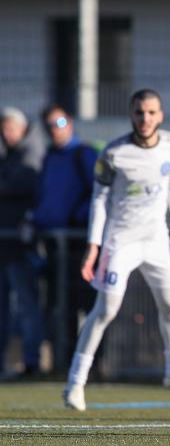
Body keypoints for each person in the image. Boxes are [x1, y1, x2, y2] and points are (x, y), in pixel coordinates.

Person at [62, 89, 170, 410]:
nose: (145, 119)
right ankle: (75, 382)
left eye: (152, 112)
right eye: (140, 112)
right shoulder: (114, 153)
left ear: (161, 115)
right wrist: (94, 246)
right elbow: (99, 201)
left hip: (157, 240)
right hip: (121, 241)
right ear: (132, 114)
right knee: (106, 310)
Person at [31, 103, 99, 367]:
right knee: (63, 306)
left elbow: (97, 193)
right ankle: (67, 362)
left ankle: (93, 362)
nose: (54, 131)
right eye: (49, 126)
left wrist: (75, 219)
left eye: (59, 124)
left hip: (78, 242)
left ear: (70, 123)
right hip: (54, 243)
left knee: (89, 305)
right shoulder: (49, 157)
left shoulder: (83, 154)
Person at [0, 107, 42, 376]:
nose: (6, 133)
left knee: (27, 305)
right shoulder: (8, 156)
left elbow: (19, 185)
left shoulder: (30, 154)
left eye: (11, 128)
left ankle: (32, 362)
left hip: (20, 247)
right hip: (4, 246)